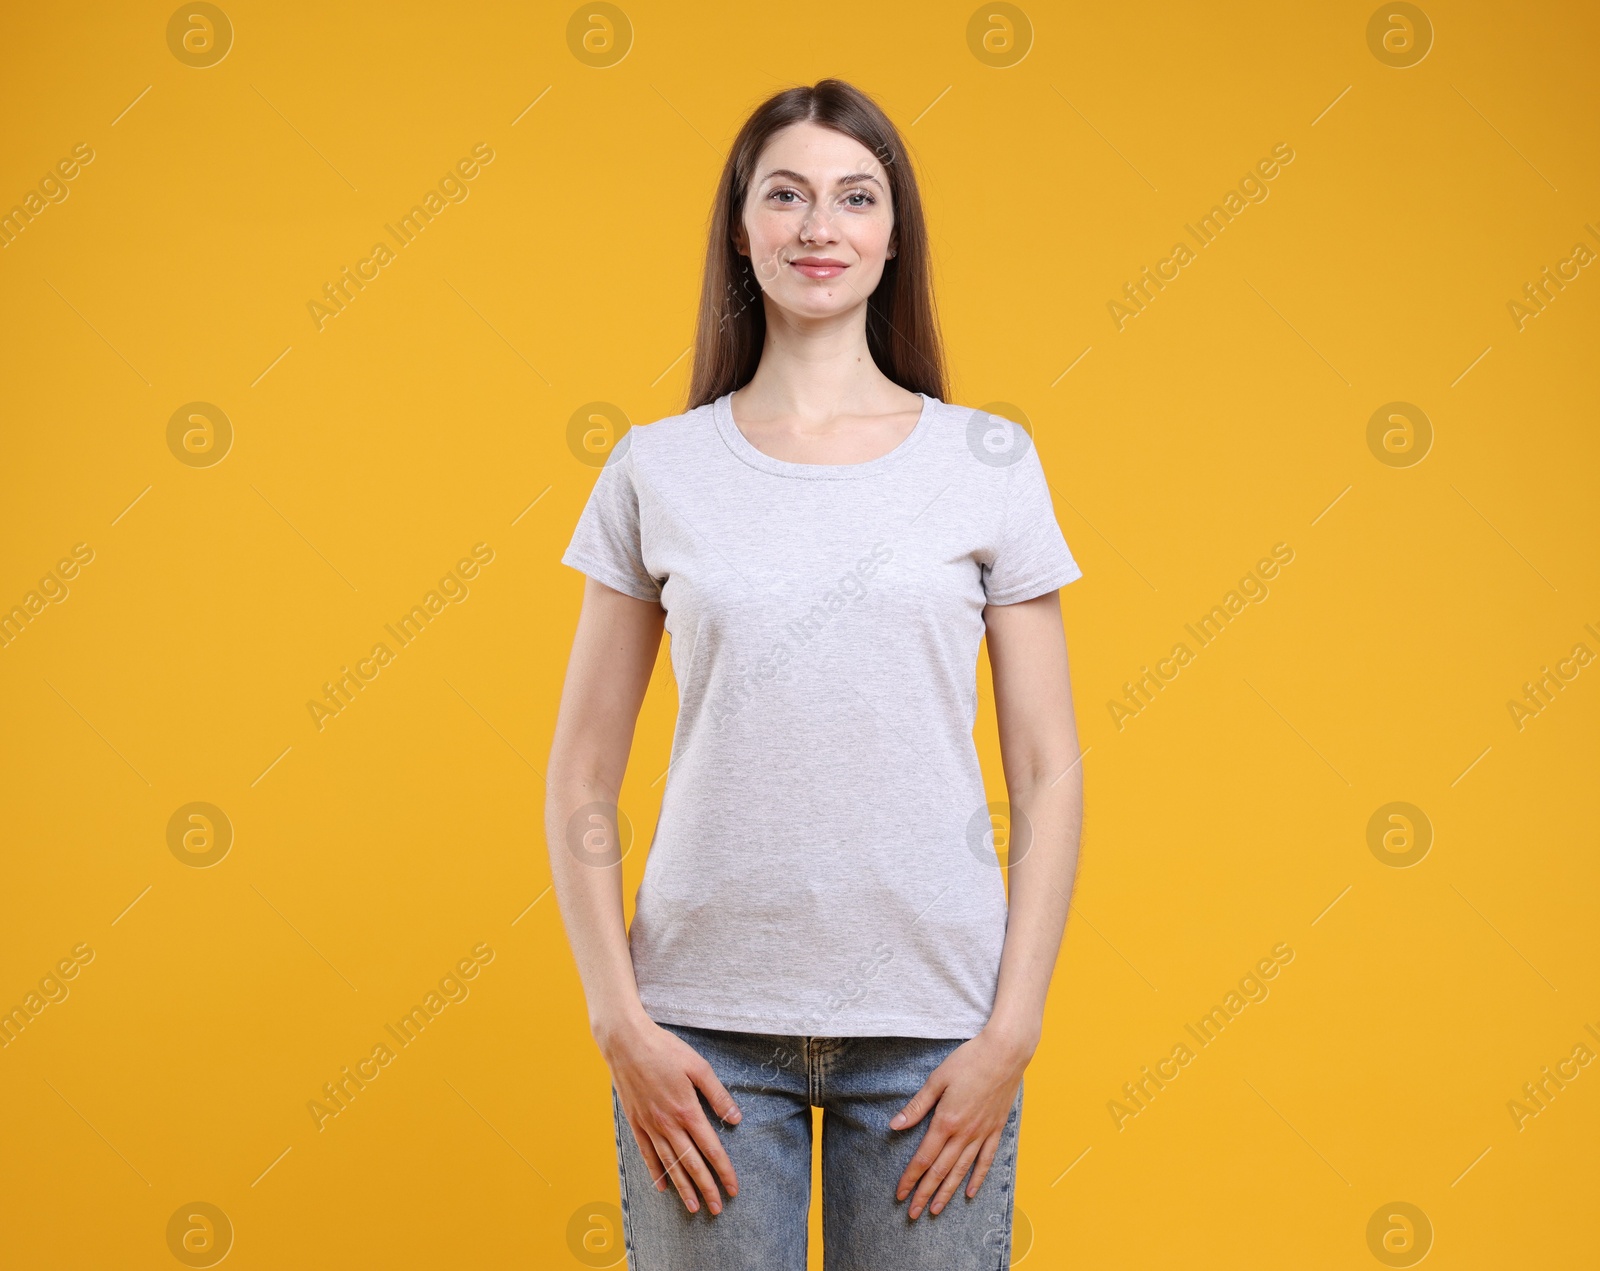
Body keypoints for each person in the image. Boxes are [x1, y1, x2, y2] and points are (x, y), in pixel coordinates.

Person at [546, 77, 1084, 1271]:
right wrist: (619, 1020)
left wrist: (1013, 1028)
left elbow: (1047, 767)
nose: (817, 226)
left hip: (934, 1030)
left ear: (893, 236)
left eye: (854, 197)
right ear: (741, 228)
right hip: (702, 1033)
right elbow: (582, 770)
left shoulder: (988, 460)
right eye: (783, 194)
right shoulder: (657, 468)